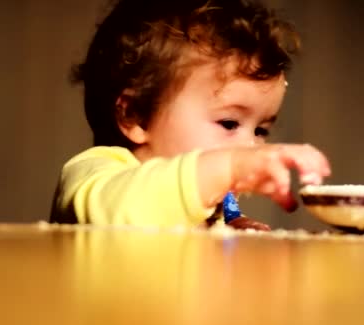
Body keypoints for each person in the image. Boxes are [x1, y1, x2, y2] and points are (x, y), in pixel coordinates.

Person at [50, 0, 331, 230]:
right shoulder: (94, 174)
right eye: (229, 123)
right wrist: (229, 167)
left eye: (260, 131)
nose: (250, 147)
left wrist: (233, 226)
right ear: (136, 115)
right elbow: (117, 216)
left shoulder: (218, 200)